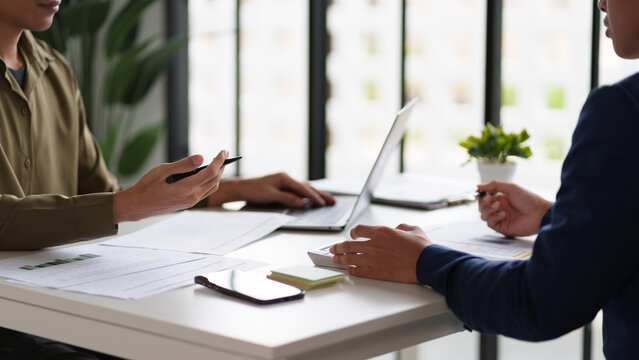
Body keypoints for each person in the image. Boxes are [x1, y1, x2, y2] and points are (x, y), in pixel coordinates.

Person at [0, 0, 333, 358]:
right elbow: (115, 205)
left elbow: (102, 195)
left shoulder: (56, 70)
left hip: (58, 307)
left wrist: (225, 189)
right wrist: (128, 203)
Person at [330, 0, 639, 358]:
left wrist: (423, 261)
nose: (601, 1)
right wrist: (551, 217)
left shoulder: (622, 112)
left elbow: (543, 302)